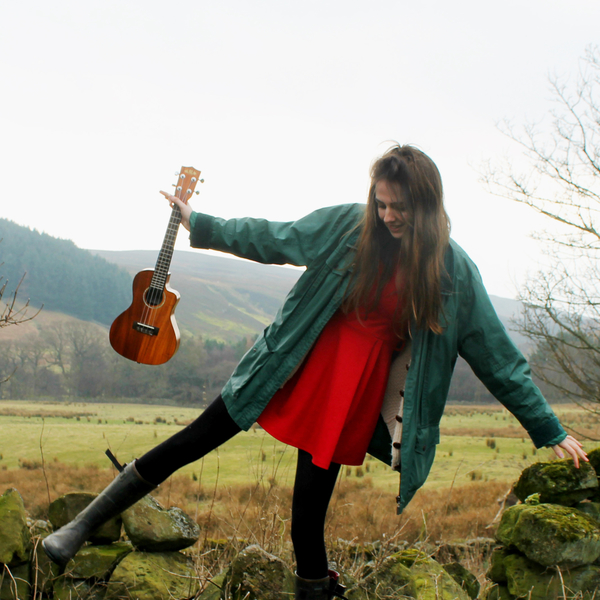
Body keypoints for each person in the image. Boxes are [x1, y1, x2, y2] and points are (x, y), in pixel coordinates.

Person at [43, 145, 587, 600]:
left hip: (350, 393)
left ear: (425, 204)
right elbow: (275, 237)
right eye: (381, 203)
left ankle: (314, 590)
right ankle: (81, 526)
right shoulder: (350, 226)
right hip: (290, 360)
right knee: (195, 438)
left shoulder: (452, 270)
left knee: (307, 513)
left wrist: (548, 427)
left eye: (399, 207)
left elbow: (496, 355)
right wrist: (201, 223)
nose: (387, 215)